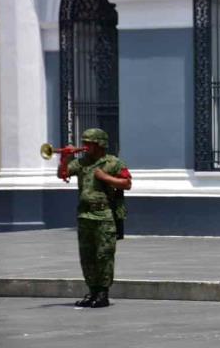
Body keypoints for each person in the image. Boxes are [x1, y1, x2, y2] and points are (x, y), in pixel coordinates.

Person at [57, 128, 132, 308]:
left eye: (90, 143)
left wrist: (105, 177)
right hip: (84, 215)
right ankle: (92, 291)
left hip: (104, 215)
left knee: (103, 255)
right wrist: (66, 157)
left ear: (100, 144)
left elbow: (127, 183)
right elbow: (62, 174)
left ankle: (103, 293)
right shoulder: (81, 163)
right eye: (85, 143)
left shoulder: (113, 163)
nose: (86, 147)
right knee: (87, 256)